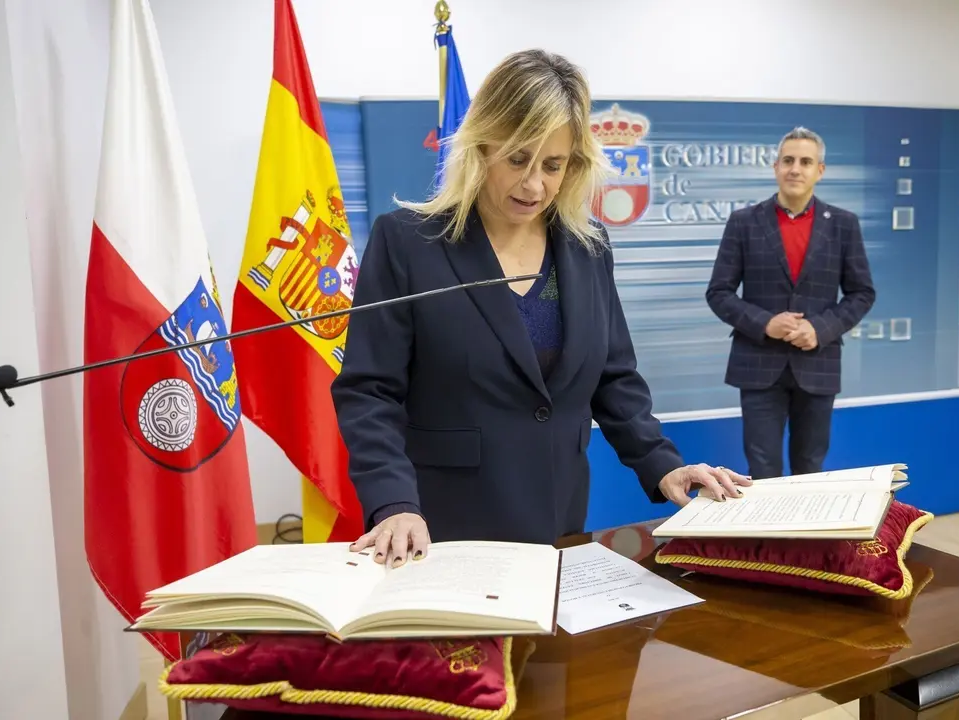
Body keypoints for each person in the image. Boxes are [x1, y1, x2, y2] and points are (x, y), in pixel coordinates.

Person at [332, 49, 751, 567]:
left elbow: (614, 378)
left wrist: (662, 464)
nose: (534, 185)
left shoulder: (588, 246)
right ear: (482, 145)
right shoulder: (408, 242)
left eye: (553, 165)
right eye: (517, 159)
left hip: (559, 522)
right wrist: (392, 503)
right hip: (440, 529)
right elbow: (370, 391)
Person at [705, 127, 875, 481]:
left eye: (805, 161)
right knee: (761, 471)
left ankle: (804, 538)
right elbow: (718, 292)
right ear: (776, 167)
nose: (795, 169)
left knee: (810, 470)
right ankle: (766, 539)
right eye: (788, 160)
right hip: (758, 364)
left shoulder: (844, 224)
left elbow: (862, 293)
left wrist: (820, 327)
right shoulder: (744, 223)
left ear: (820, 170)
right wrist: (765, 323)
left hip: (818, 364)